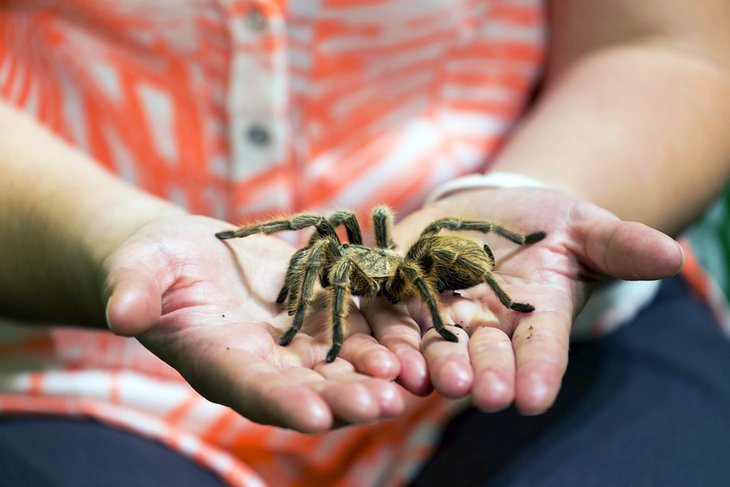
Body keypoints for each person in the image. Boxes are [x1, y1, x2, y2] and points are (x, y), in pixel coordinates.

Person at [0, 1, 729, 486]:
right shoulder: (359, 254)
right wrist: (115, 233)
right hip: (74, 370)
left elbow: (672, 48)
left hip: (560, 342)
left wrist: (512, 194)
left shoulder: (417, 252)